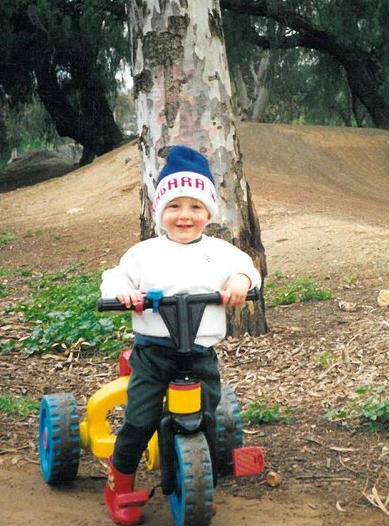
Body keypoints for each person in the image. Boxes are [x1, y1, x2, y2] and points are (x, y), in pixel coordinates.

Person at [100, 145, 262, 526]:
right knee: (139, 420)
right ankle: (119, 481)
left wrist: (241, 281)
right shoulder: (145, 253)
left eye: (194, 206)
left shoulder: (221, 252)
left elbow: (247, 270)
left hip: (200, 354)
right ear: (159, 211)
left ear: (208, 212)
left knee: (207, 417)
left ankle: (199, 478)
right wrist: (123, 293)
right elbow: (115, 277)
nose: (184, 215)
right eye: (174, 206)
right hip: (154, 354)